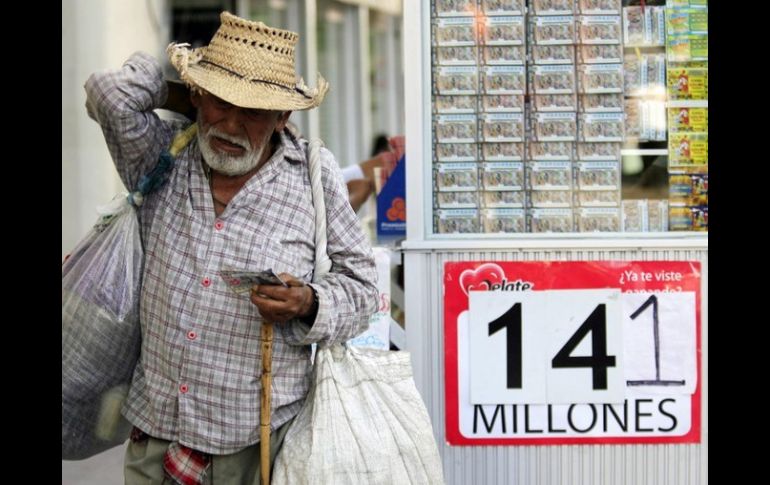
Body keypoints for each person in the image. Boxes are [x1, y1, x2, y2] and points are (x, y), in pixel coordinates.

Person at [84, 11, 378, 484]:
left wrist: (307, 302)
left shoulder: (312, 175)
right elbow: (107, 92)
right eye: (221, 103)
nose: (231, 124)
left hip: (254, 443)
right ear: (198, 98)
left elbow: (363, 291)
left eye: (254, 112)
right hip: (156, 433)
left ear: (283, 117)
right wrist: (181, 92)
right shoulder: (163, 156)